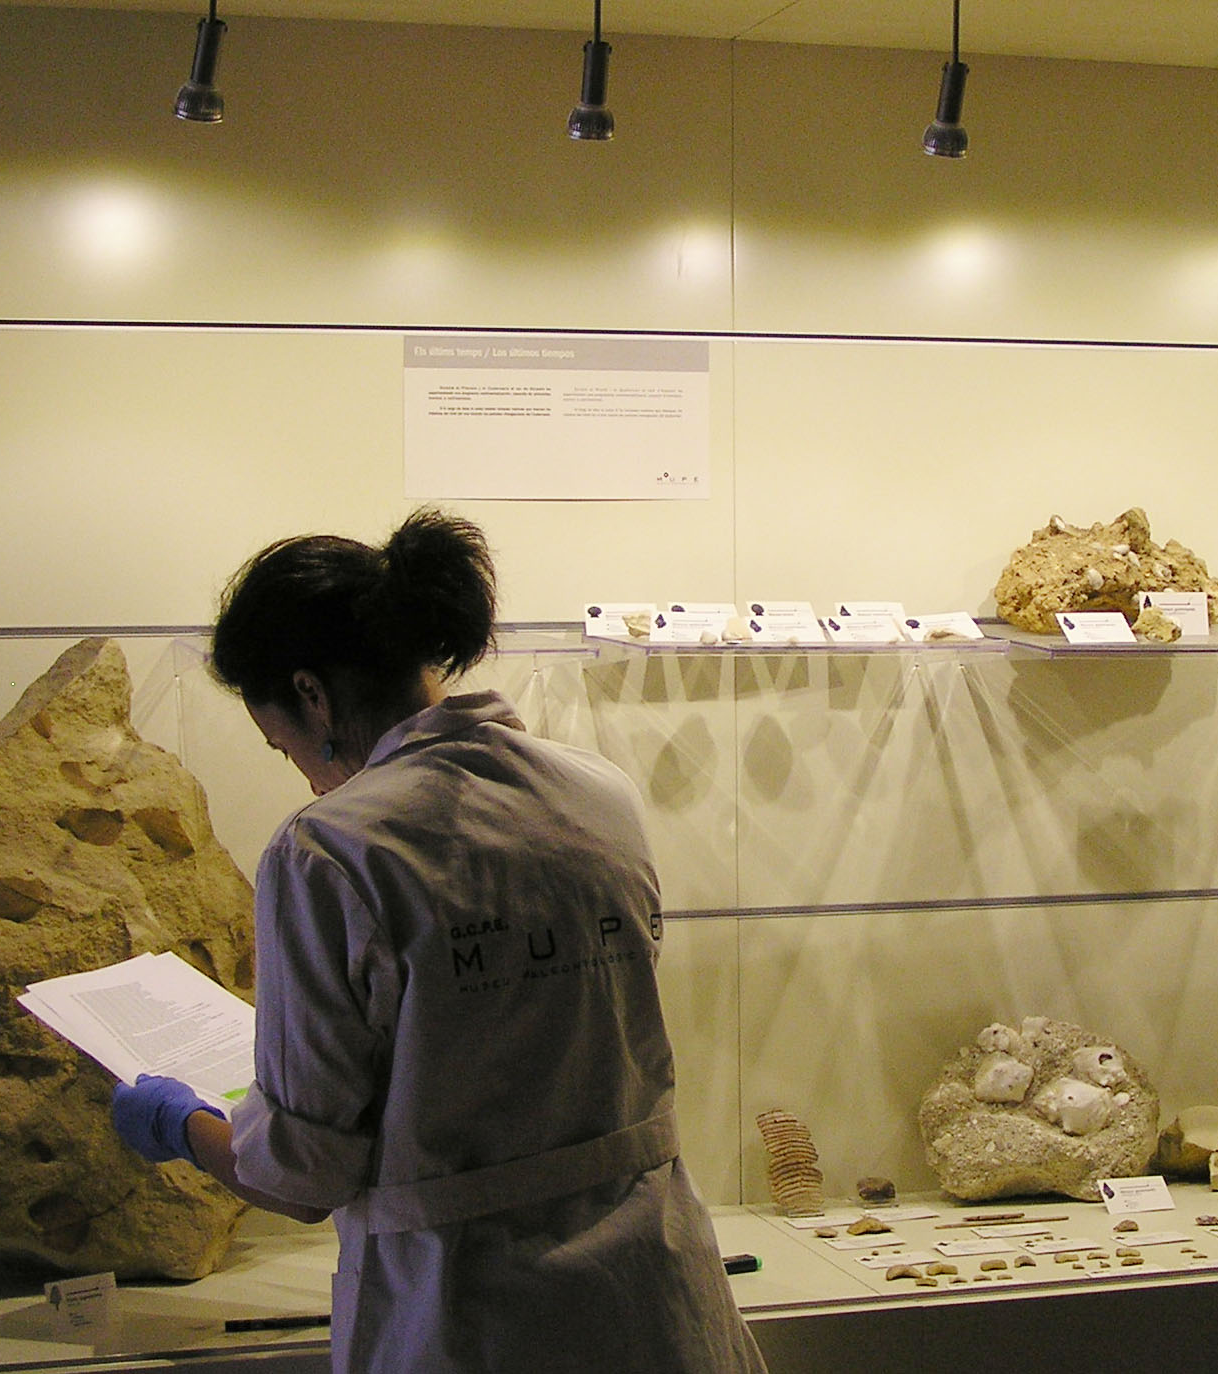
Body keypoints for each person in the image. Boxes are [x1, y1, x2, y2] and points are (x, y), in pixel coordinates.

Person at [110, 509, 765, 1373]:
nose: (300, 770)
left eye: (282, 744)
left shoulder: (328, 849)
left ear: (312, 694)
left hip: (473, 1311)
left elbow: (300, 1175)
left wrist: (180, 1123)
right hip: (656, 1293)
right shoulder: (596, 791)